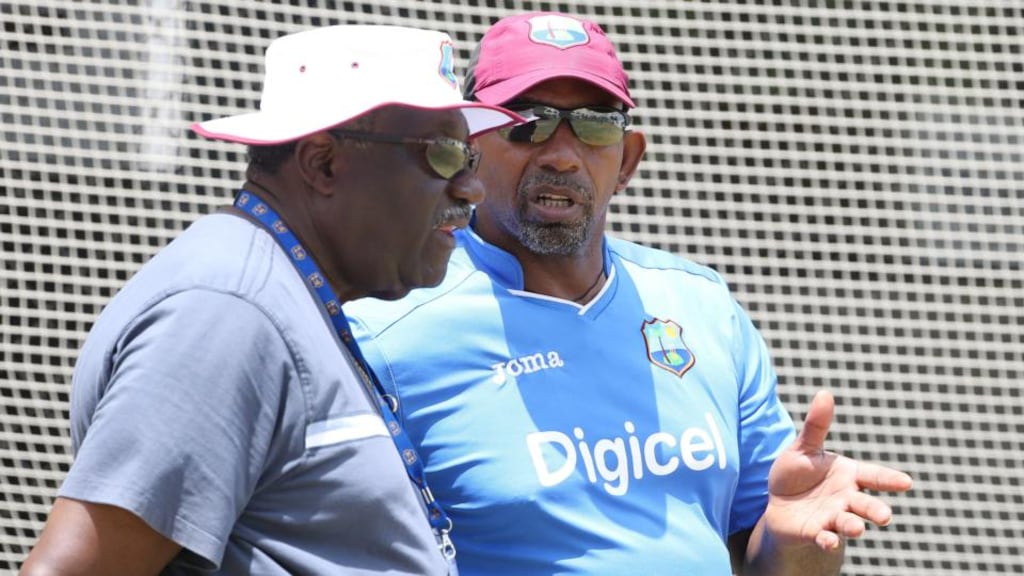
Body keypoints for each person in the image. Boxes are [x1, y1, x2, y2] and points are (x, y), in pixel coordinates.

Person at [345, 12, 913, 575]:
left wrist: (795, 539)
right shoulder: (386, 332)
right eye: (528, 123)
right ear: (467, 148)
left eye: (594, 126)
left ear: (629, 160)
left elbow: (768, 558)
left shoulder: (702, 304)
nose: (563, 154)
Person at [19, 24, 520, 575]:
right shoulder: (226, 312)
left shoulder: (277, 291)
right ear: (323, 164)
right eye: (444, 155)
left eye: (469, 159)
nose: (471, 187)